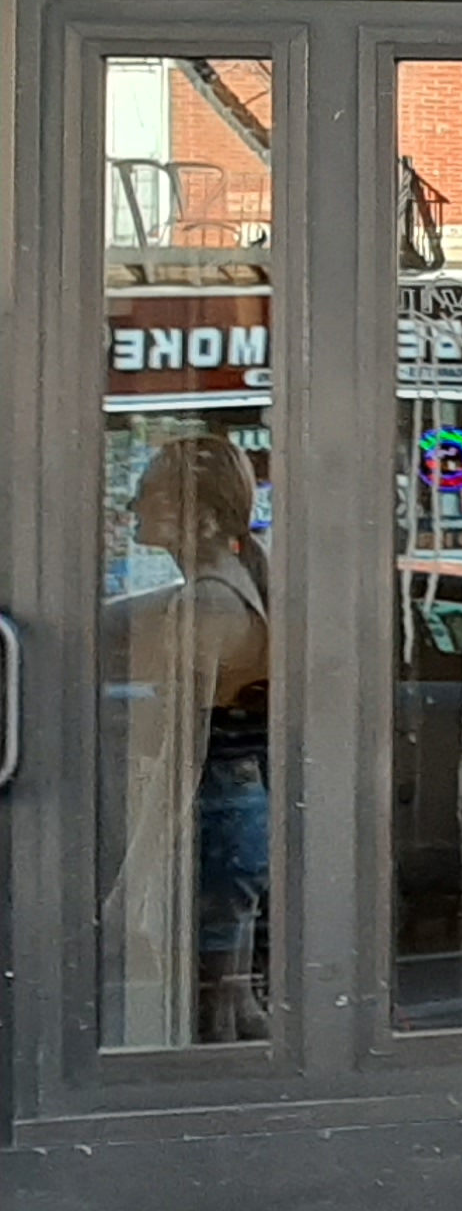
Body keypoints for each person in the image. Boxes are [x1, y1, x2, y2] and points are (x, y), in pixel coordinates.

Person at [102, 430, 273, 1048]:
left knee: (210, 1010)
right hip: (236, 802)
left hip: (214, 809)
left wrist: (138, 867)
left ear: (198, 515)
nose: (133, 506)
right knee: (232, 998)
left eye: (149, 494)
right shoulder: (222, 589)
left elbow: (185, 751)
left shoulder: (206, 605)